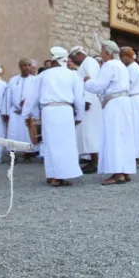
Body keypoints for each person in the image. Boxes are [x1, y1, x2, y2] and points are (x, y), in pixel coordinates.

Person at [24, 47, 84, 186]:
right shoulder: (73, 75)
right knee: (66, 144)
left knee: (51, 144)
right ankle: (60, 176)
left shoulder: (43, 75)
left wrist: (26, 114)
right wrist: (79, 115)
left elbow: (32, 97)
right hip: (66, 110)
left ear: (53, 60)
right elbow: (79, 99)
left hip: (49, 111)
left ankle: (53, 175)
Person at [84, 40, 136, 185]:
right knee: (124, 136)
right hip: (124, 103)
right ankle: (125, 171)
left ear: (108, 53)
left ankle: (117, 173)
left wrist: (87, 81)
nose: (101, 54)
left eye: (102, 52)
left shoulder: (109, 65)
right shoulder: (122, 66)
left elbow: (99, 86)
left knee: (113, 137)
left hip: (114, 104)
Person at [69, 46, 102, 173]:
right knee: (85, 132)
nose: (73, 61)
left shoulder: (90, 63)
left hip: (90, 103)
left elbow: (91, 82)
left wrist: (87, 100)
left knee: (90, 132)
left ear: (79, 54)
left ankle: (95, 161)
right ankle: (90, 159)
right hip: (86, 102)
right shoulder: (85, 63)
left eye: (73, 58)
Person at [6, 58, 38, 163]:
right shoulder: (13, 80)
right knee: (13, 133)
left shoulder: (35, 80)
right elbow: (8, 97)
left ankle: (27, 155)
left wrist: (26, 105)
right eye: (25, 65)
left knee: (27, 134)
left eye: (29, 65)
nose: (27, 67)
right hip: (15, 112)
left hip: (28, 113)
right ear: (20, 67)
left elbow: (36, 96)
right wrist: (5, 112)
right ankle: (12, 156)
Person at [120, 47, 139, 166]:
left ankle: (135, 157)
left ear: (127, 57)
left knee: (134, 128)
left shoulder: (134, 68)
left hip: (133, 98)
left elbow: (127, 84)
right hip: (129, 99)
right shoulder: (127, 67)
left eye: (122, 57)